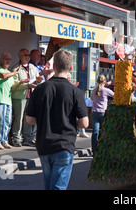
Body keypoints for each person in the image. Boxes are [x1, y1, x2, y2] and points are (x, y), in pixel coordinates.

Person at [26, 49, 89, 190]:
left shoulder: (40, 89)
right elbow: (84, 122)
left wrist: (44, 121)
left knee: (48, 186)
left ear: (53, 67)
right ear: (70, 68)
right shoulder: (75, 92)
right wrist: (70, 123)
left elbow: (29, 119)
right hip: (64, 145)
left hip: (44, 145)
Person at [10, 48, 42, 147]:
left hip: (31, 96)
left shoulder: (32, 67)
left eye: (28, 55)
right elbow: (13, 85)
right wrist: (26, 85)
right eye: (25, 55)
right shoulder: (16, 68)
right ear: (20, 56)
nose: (27, 57)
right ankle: (16, 138)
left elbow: (37, 80)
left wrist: (39, 80)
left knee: (28, 118)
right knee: (18, 119)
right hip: (19, 97)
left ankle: (27, 138)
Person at [0, 52, 19, 149]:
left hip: (7, 100)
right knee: (0, 120)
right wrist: (15, 73)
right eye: (6, 58)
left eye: (10, 59)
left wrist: (23, 83)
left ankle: (4, 140)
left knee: (8, 121)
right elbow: (3, 76)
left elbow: (13, 87)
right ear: (1, 60)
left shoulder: (10, 73)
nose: (8, 60)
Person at [90, 74, 113, 154]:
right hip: (103, 112)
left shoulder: (94, 90)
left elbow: (91, 98)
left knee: (95, 132)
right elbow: (115, 95)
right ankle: (103, 149)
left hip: (95, 112)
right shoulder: (106, 90)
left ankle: (93, 150)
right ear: (105, 82)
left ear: (97, 81)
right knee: (104, 131)